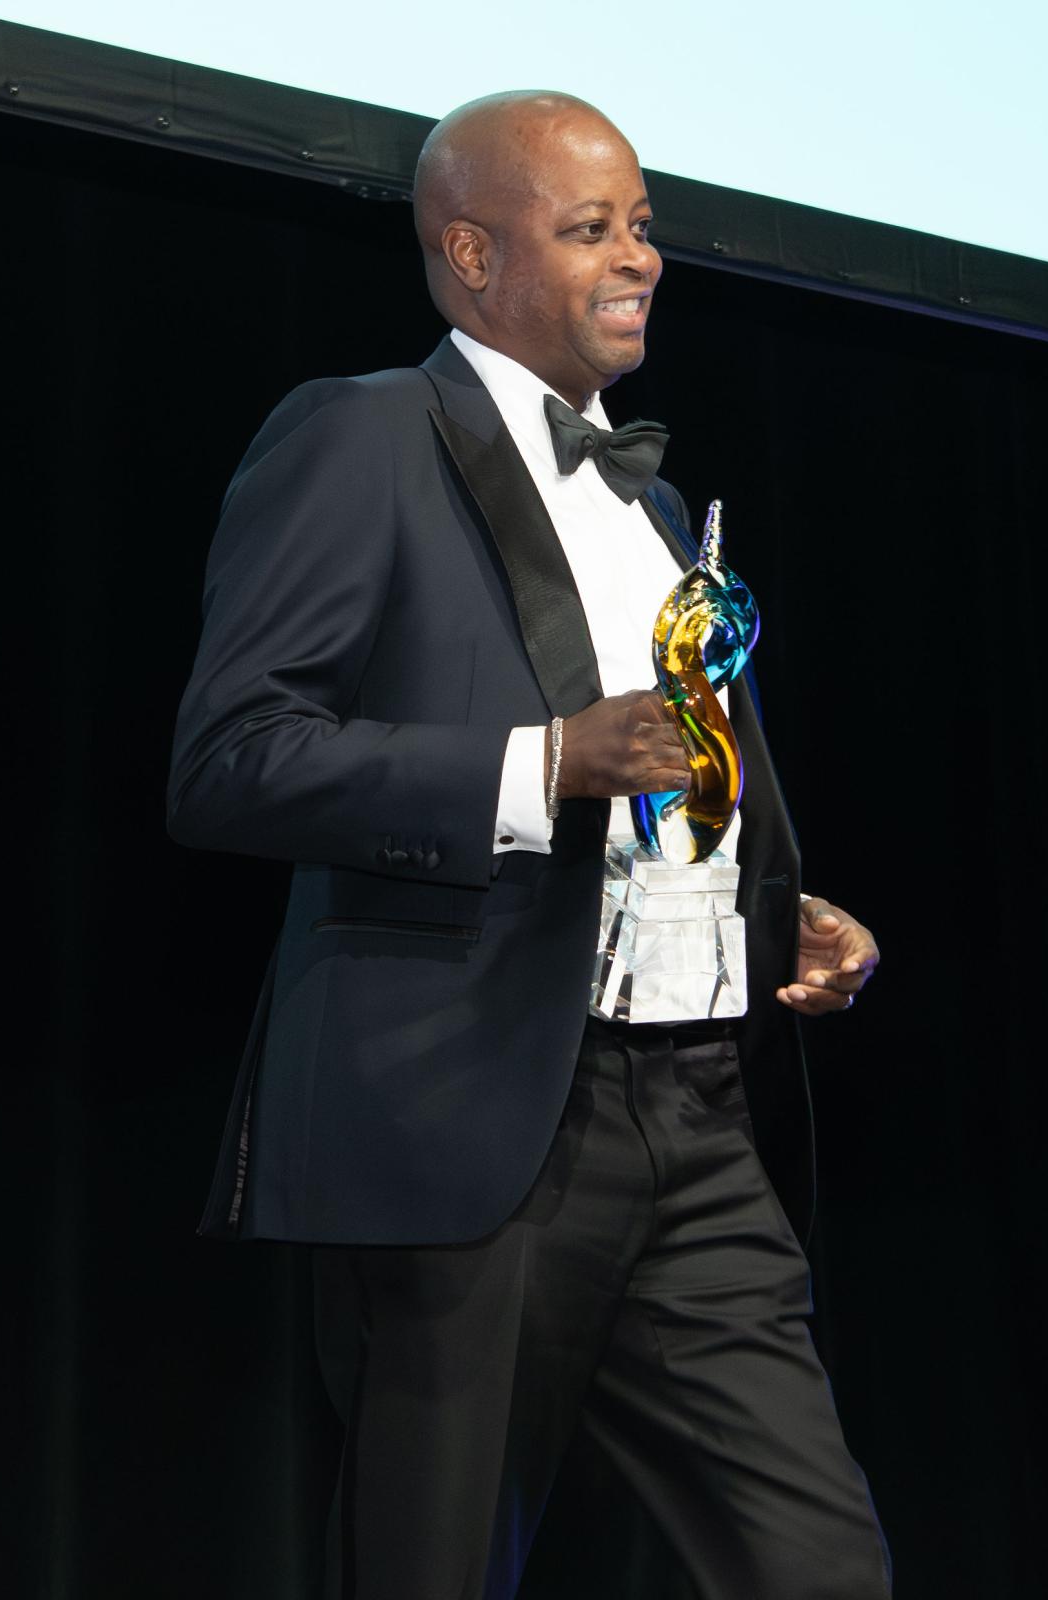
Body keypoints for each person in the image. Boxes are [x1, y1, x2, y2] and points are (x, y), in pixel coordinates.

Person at [168, 89, 890, 1600]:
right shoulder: (364, 434)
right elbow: (233, 763)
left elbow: (664, 790)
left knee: (818, 1567)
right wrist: (542, 763)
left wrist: (768, 907)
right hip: (470, 1112)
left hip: (693, 1112)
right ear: (472, 254)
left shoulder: (662, 501)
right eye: (591, 230)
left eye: (641, 225)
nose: (641, 258)